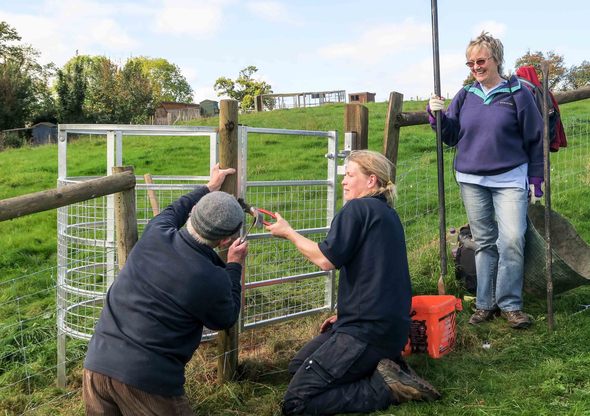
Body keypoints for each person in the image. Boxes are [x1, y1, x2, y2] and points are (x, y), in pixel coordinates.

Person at [266, 150, 441, 415]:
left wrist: (288, 233)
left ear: (371, 180)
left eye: (350, 175)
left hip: (365, 331)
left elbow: (326, 259)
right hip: (387, 329)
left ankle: (384, 387)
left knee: (296, 403)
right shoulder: (386, 214)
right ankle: (386, 368)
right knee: (298, 366)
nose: (344, 181)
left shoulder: (357, 209)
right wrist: (345, 313)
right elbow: (379, 276)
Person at [83, 164, 248, 415]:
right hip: (147, 380)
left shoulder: (156, 232)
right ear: (225, 241)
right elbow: (226, 318)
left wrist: (208, 187)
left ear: (193, 213)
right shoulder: (211, 277)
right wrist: (234, 266)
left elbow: (175, 208)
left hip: (96, 365)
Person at [427, 31, 544, 329]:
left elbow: (535, 139)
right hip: (471, 180)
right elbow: (450, 136)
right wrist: (435, 115)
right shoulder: (466, 95)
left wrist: (536, 178)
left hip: (509, 178)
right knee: (484, 242)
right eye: (470, 63)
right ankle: (484, 304)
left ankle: (510, 304)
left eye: (481, 61)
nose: (476, 67)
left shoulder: (518, 94)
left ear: (496, 59)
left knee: (513, 239)